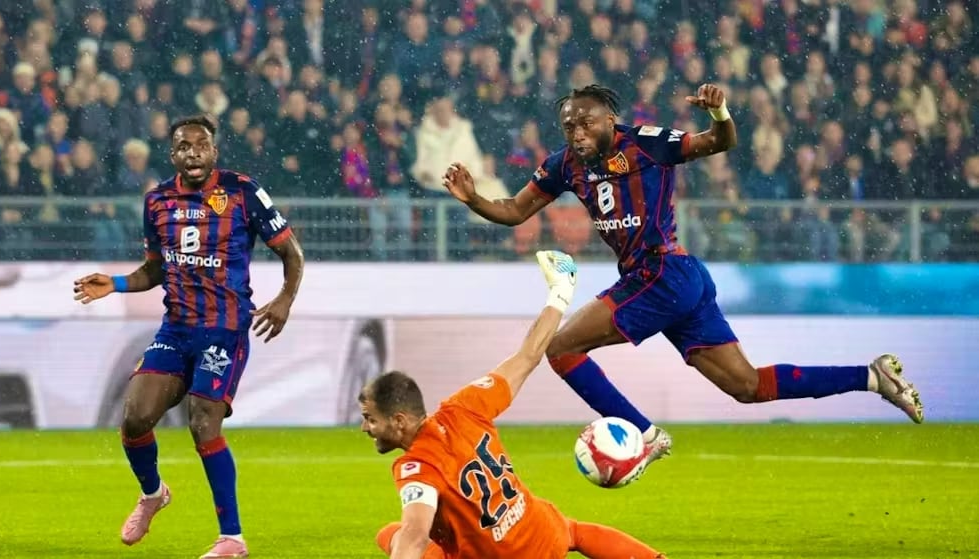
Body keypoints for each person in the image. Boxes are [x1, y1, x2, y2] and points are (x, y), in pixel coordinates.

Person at [441, 84, 923, 468]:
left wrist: (720, 113)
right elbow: (515, 210)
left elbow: (720, 141)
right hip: (673, 279)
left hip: (662, 272)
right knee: (747, 386)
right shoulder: (564, 166)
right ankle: (872, 377)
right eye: (569, 126)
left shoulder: (646, 143)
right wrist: (474, 199)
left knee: (561, 348)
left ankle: (643, 435)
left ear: (610, 120)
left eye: (586, 123)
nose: (577, 133)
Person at [73, 113, 304, 559]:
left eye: (201, 146)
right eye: (183, 146)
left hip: (225, 329)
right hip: (176, 328)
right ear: (172, 154)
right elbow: (155, 270)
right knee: (134, 418)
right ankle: (153, 494)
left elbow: (292, 253)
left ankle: (232, 538)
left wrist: (284, 299)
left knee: (203, 422)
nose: (192, 153)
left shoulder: (243, 191)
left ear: (214, 151)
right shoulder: (157, 201)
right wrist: (116, 283)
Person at [360, 250, 666, 559]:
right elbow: (528, 356)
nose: (364, 427)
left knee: (397, 535)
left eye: (370, 419)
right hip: (539, 533)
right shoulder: (465, 407)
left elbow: (415, 536)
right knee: (572, 531)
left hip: (496, 555)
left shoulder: (417, 467)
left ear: (399, 421)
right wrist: (560, 292)